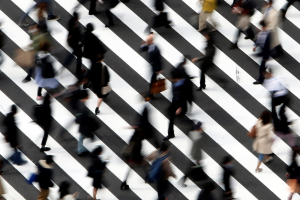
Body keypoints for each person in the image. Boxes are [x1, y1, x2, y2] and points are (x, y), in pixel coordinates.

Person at [164, 69, 193, 140]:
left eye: (174, 79)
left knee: (181, 119)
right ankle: (171, 134)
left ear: (178, 78)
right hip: (174, 103)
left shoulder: (186, 84)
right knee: (171, 118)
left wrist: (180, 107)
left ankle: (192, 124)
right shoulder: (176, 81)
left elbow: (186, 97)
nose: (173, 80)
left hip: (180, 105)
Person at [140, 33, 163, 101]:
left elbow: (159, 60)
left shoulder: (156, 49)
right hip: (152, 65)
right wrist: (143, 44)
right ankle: (152, 93)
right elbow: (141, 49)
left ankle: (150, 95)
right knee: (153, 81)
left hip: (155, 67)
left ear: (152, 41)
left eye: (148, 41)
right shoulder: (148, 45)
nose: (147, 42)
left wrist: (159, 69)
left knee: (152, 81)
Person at [63, 12, 85, 76]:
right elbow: (79, 37)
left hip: (70, 41)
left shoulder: (70, 22)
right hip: (75, 43)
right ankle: (78, 71)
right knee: (78, 56)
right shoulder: (76, 28)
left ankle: (66, 62)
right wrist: (81, 43)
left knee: (73, 53)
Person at [252, 20, 271, 85]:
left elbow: (268, 47)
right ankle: (266, 71)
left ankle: (260, 79)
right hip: (263, 50)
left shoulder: (267, 35)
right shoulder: (262, 33)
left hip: (265, 52)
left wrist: (266, 56)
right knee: (263, 65)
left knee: (261, 67)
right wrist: (255, 46)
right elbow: (259, 40)